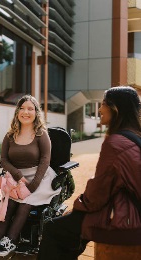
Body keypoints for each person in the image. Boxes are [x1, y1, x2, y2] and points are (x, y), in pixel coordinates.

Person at [37, 86, 141, 260]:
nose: (99, 109)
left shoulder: (115, 143)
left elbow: (97, 194)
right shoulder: (134, 137)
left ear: (115, 108)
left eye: (103, 104)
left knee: (53, 229)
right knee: (70, 229)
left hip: (128, 216)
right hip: (130, 205)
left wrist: (78, 204)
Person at [0, 95, 61, 259]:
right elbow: (4, 160)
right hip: (16, 177)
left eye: (30, 108)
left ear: (36, 112)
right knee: (8, 203)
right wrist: (18, 176)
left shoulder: (41, 134)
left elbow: (45, 161)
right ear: (17, 112)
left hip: (40, 178)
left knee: (25, 203)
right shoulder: (10, 135)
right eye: (22, 108)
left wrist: (33, 185)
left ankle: (10, 240)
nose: (25, 112)